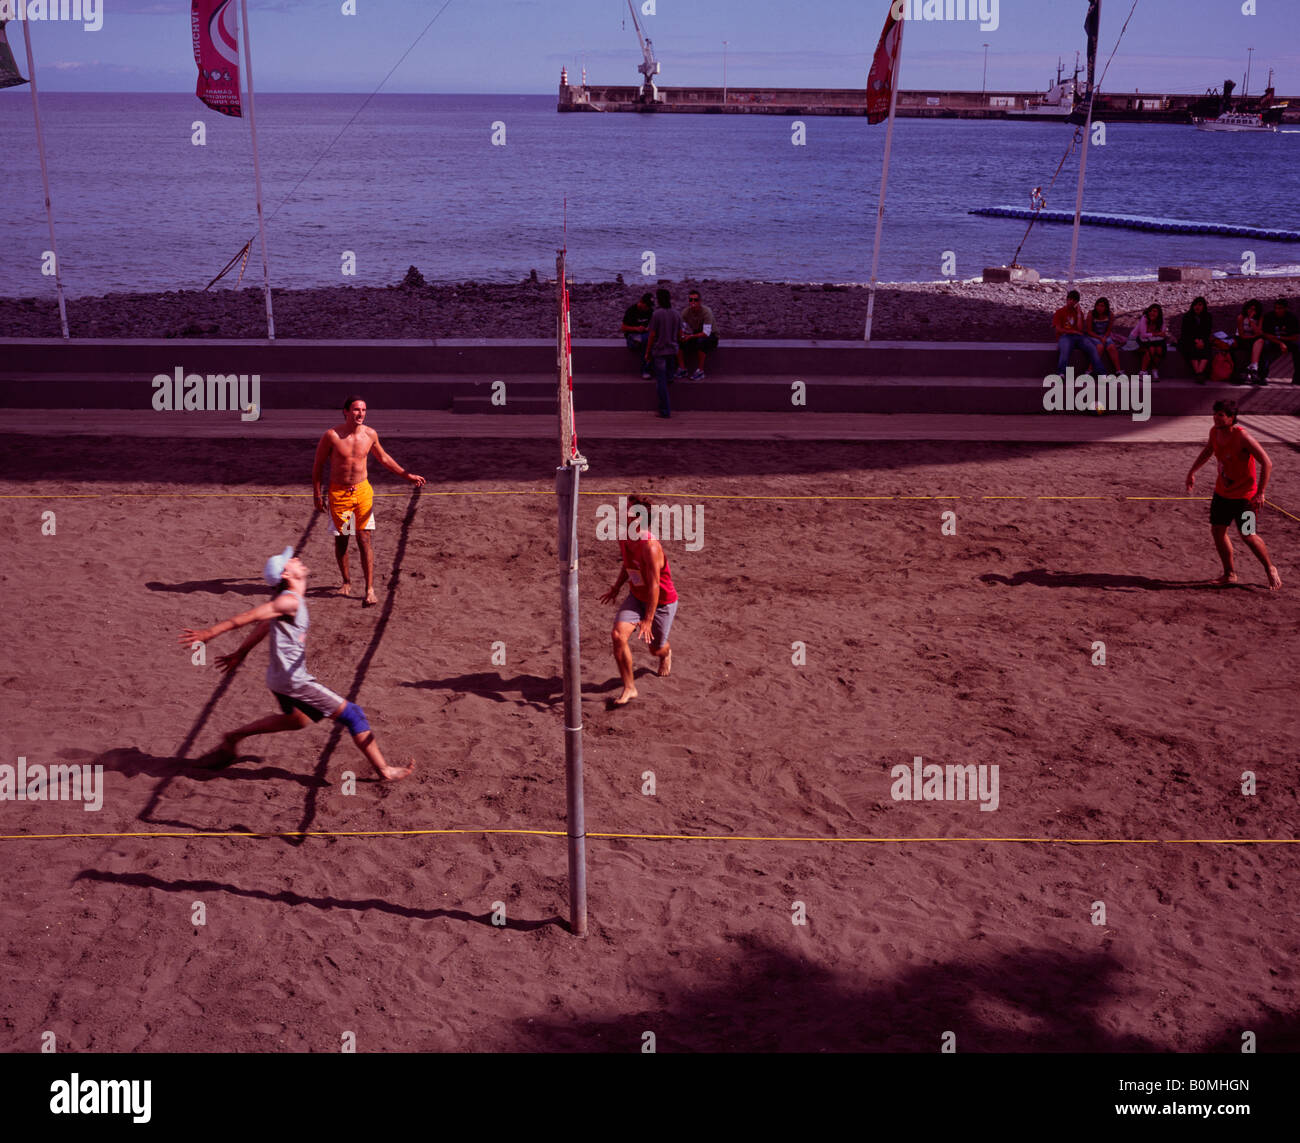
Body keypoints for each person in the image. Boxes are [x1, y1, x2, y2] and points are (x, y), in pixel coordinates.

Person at [178, 548, 416, 778]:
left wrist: (241, 653)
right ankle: (384, 770)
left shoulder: (290, 600)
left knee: (297, 720)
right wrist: (209, 633)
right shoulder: (289, 602)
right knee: (354, 714)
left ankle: (233, 738)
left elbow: (263, 626)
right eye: (290, 560)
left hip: (278, 678)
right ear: (285, 574)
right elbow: (248, 617)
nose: (296, 558)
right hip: (293, 681)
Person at [312, 396, 426, 606]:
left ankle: (369, 589)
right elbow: (318, 465)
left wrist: (406, 475)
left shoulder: (370, 434)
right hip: (339, 493)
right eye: (356, 410)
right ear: (346, 411)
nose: (361, 414)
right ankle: (346, 581)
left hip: (363, 491)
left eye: (363, 410)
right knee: (343, 539)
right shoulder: (332, 436)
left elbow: (383, 458)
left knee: (364, 539)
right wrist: (317, 494)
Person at [1184, 400, 1281, 590]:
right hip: (1222, 493)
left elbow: (1267, 463)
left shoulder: (1243, 437)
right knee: (1218, 531)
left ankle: (1270, 568)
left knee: (1248, 535)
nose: (1216, 417)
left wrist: (1261, 492)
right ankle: (1229, 574)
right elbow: (1209, 450)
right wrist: (1192, 471)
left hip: (1246, 497)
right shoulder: (1215, 432)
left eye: (1220, 414)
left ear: (1231, 417)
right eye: (1215, 413)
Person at [599, 495, 679, 706]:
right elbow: (628, 566)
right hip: (637, 596)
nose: (624, 513)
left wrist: (648, 619)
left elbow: (654, 585)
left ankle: (666, 652)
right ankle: (630, 687)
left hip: (661, 602)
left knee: (655, 649)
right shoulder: (625, 537)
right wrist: (616, 588)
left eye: (630, 511)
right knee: (617, 635)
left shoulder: (650, 547)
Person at [644, 288, 681, 418]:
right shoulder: (676, 314)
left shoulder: (656, 314)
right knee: (669, 378)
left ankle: (665, 410)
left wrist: (647, 352)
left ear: (659, 299)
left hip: (659, 351)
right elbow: (679, 334)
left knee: (661, 382)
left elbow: (652, 335)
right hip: (672, 350)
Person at [1052, 289, 1104, 375]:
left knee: (1092, 349)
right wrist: (1072, 331)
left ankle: (1102, 373)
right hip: (1065, 336)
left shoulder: (1078, 313)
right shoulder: (1059, 312)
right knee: (1065, 350)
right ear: (1067, 300)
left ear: (1077, 302)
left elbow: (1080, 329)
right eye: (1070, 299)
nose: (1071, 302)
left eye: (1074, 300)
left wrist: (1079, 313)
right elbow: (1058, 329)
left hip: (1078, 337)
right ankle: (1061, 373)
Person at [679, 289, 719, 380]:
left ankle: (700, 371)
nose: (693, 302)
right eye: (691, 300)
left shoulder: (706, 312)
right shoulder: (685, 312)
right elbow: (682, 328)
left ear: (700, 301)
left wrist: (690, 336)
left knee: (701, 341)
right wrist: (682, 336)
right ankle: (682, 368)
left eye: (695, 300)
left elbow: (706, 333)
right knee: (679, 340)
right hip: (696, 334)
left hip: (711, 336)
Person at [1259, 297, 1300, 384]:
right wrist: (1280, 342)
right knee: (1265, 346)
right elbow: (1265, 334)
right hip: (1273, 341)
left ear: (1285, 308)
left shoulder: (1292, 318)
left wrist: (1282, 340)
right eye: (1276, 308)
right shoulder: (1269, 316)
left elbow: (1296, 336)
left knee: (1298, 347)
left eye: (1280, 308)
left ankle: (1297, 377)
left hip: (1286, 340)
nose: (1277, 310)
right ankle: (1262, 376)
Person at [1083, 296, 1126, 373]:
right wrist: (1100, 338)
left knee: (1111, 347)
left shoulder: (1110, 315)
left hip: (1105, 335)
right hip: (1093, 335)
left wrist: (1105, 337)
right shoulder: (1091, 314)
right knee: (1100, 347)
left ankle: (1118, 370)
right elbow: (1089, 331)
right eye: (1098, 305)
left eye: (1102, 306)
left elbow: (1109, 329)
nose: (1099, 308)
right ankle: (1090, 369)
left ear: (1106, 307)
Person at [1177, 296, 1214, 383]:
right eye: (1195, 305)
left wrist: (1201, 341)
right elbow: (1185, 332)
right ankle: (1199, 373)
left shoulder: (1208, 316)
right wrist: (1196, 340)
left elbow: (1207, 331)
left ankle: (1199, 373)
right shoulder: (1187, 316)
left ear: (1204, 306)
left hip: (1203, 340)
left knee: (1206, 349)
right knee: (1192, 348)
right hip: (1189, 339)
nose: (1197, 307)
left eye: (1200, 305)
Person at [1133, 303, 1173, 380]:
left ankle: (1154, 370)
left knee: (1159, 349)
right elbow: (1143, 334)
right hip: (1137, 340)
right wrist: (1156, 333)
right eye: (1151, 311)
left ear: (1159, 313)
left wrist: (1153, 334)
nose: (1152, 313)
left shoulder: (1161, 320)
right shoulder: (1144, 318)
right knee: (1150, 349)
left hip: (1153, 340)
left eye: (1155, 311)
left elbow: (1163, 333)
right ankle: (1142, 371)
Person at [621, 292, 655, 380]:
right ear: (641, 302)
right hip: (632, 336)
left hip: (644, 334)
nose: (648, 308)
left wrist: (648, 328)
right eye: (646, 306)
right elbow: (623, 327)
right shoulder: (632, 310)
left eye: (649, 306)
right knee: (646, 340)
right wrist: (636, 329)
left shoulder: (650, 311)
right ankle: (645, 370)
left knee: (649, 339)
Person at [1235, 299, 1265, 384]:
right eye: (1250, 309)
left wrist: (1251, 321)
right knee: (1249, 345)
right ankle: (1249, 369)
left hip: (1253, 337)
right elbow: (1241, 335)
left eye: (1254, 309)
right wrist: (1253, 336)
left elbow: (1259, 332)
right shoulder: (1240, 317)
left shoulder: (1259, 318)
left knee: (1260, 341)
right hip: (1242, 338)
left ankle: (1253, 367)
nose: (1251, 311)